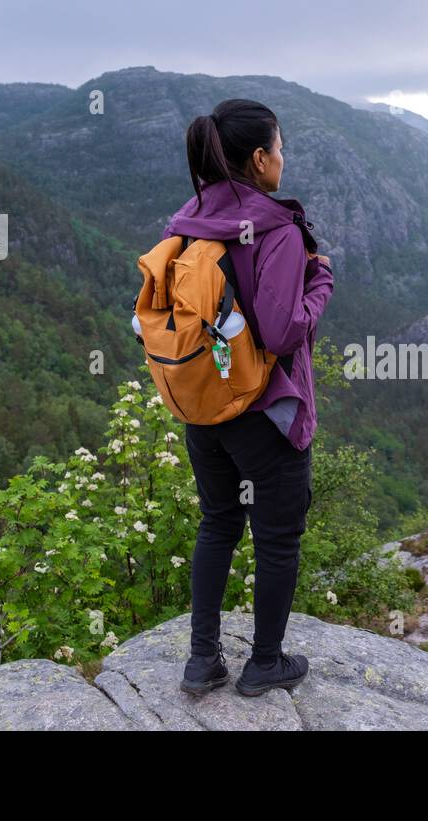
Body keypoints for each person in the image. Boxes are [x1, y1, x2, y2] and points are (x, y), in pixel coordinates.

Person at [166, 99, 334, 697]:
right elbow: (282, 329)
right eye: (281, 149)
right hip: (262, 411)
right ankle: (265, 663)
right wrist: (320, 284)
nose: (284, 160)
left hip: (203, 404)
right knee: (277, 538)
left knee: (217, 524)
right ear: (260, 159)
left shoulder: (189, 217)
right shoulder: (277, 228)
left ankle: (201, 662)